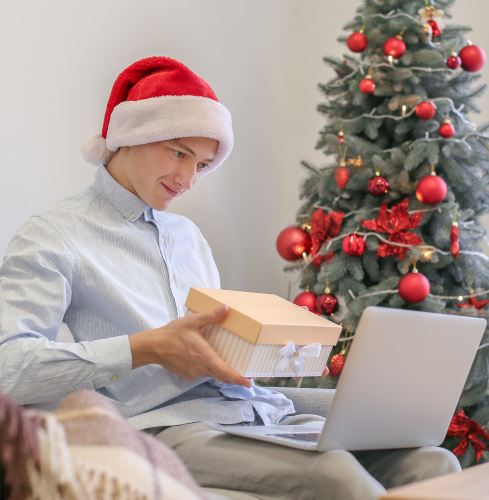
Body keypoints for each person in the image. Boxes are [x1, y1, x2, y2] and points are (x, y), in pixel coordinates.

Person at [0, 56, 460, 499]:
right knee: (336, 477)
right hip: (168, 425)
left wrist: (272, 351)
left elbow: (215, 352)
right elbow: (8, 369)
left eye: (200, 164)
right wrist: (146, 348)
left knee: (432, 463)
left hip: (251, 410)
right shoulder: (55, 233)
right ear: (129, 135)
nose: (187, 179)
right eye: (178, 153)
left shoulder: (188, 237)